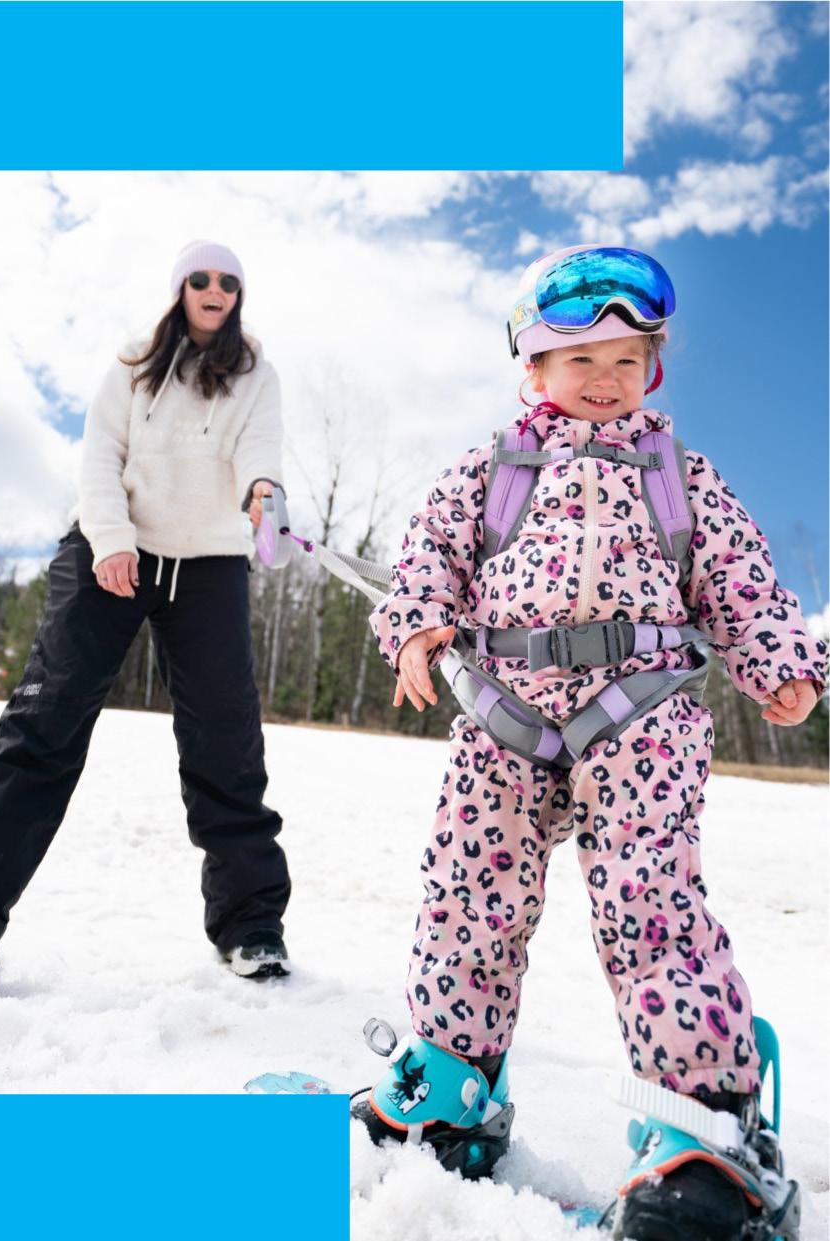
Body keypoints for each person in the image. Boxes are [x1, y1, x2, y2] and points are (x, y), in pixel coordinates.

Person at [352, 245, 826, 1239]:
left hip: (639, 714)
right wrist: (418, 625)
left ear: (650, 369)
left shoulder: (680, 477)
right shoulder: (488, 470)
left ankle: (707, 1127)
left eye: (626, 360)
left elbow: (739, 579)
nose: (605, 379)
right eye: (580, 360)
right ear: (533, 368)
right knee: (467, 894)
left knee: (648, 901)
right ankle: (452, 1081)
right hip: (503, 717)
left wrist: (778, 660)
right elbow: (427, 553)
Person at [0, 240, 291, 991]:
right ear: (180, 290)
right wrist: (111, 540)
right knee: (44, 725)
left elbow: (259, 447)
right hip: (113, 547)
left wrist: (263, 489)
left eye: (228, 281)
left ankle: (251, 926)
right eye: (200, 279)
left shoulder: (255, 373)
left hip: (208, 560)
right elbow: (100, 455)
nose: (214, 289)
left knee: (227, 741)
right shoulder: (134, 363)